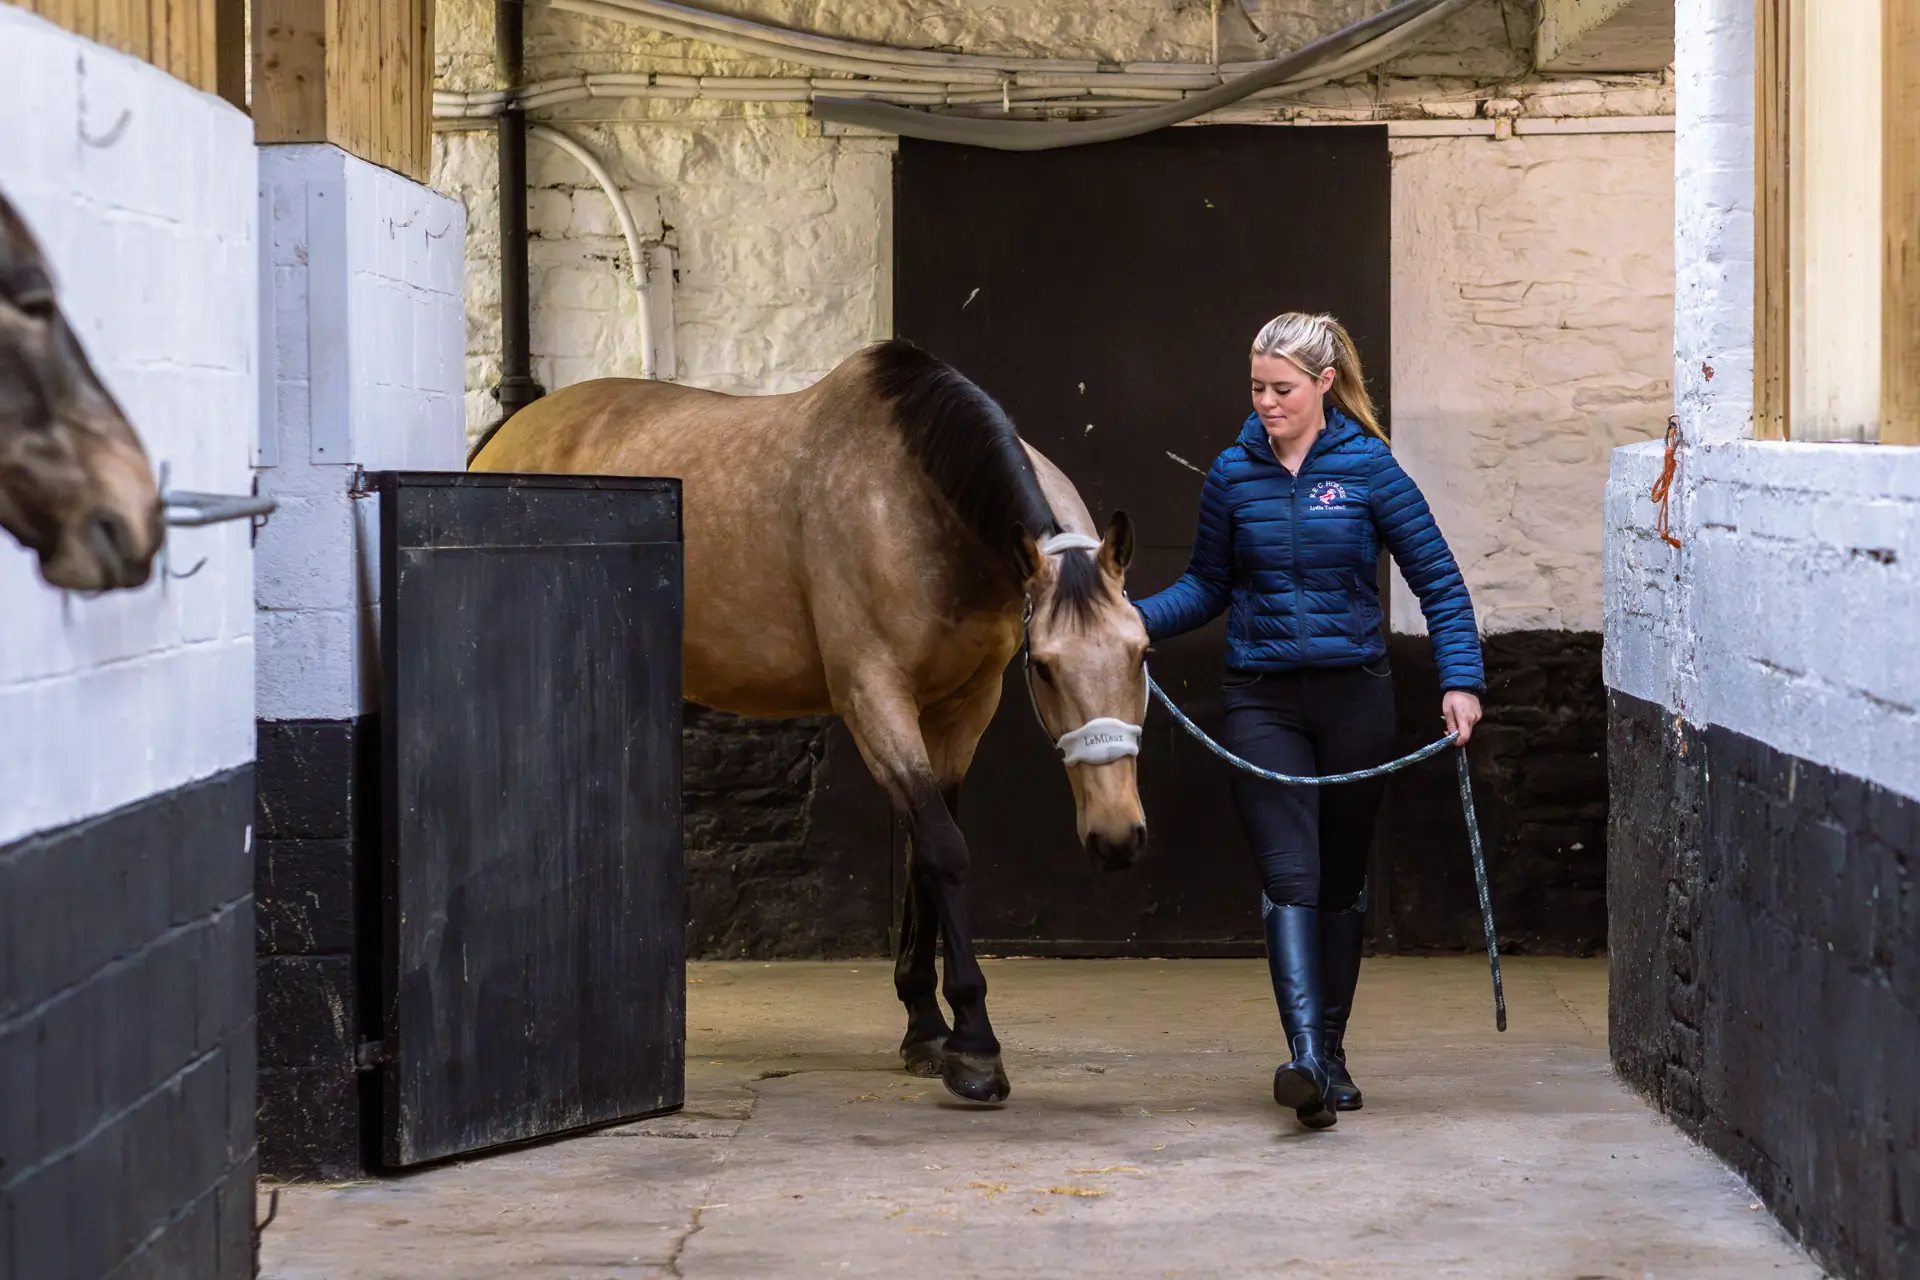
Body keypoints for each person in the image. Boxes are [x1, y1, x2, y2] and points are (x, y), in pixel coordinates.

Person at [1132, 311, 1484, 1130]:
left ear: (1325, 384)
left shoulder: (1369, 470)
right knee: (1288, 876)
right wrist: (1133, 620)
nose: (1266, 403)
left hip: (1355, 696)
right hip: (1261, 697)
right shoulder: (1232, 474)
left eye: (1282, 388)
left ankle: (1331, 1048)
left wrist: (1460, 681)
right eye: (1256, 388)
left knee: (1338, 880)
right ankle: (1306, 1062)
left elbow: (1439, 581)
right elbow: (1207, 585)